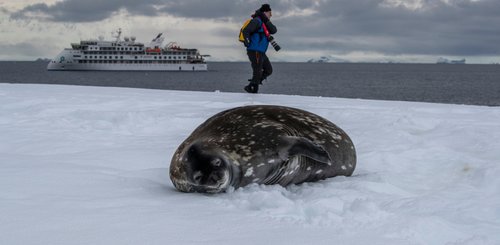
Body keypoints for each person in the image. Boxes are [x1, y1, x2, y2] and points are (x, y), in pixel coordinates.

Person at [241, 4, 277, 93]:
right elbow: (246, 30)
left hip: (261, 51)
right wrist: (247, 41)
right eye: (269, 13)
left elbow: (274, 30)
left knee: (268, 70)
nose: (271, 15)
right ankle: (252, 90)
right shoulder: (257, 21)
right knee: (257, 71)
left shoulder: (263, 22)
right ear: (265, 12)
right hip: (254, 49)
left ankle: (253, 84)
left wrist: (266, 19)